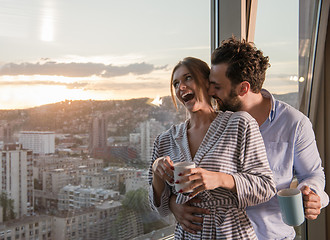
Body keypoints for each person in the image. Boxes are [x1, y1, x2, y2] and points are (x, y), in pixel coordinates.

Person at [169, 37, 329, 240]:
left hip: (271, 235)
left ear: (243, 88)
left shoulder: (294, 123)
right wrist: (173, 203)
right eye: (210, 84)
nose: (209, 92)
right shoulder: (212, 123)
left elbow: (313, 174)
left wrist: (313, 194)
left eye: (217, 87)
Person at [148, 57, 277, 239]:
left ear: (207, 82)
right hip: (187, 235)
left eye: (188, 78)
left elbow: (265, 187)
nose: (181, 87)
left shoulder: (240, 123)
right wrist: (157, 174)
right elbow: (158, 209)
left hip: (232, 233)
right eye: (176, 83)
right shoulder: (165, 140)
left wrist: (220, 179)